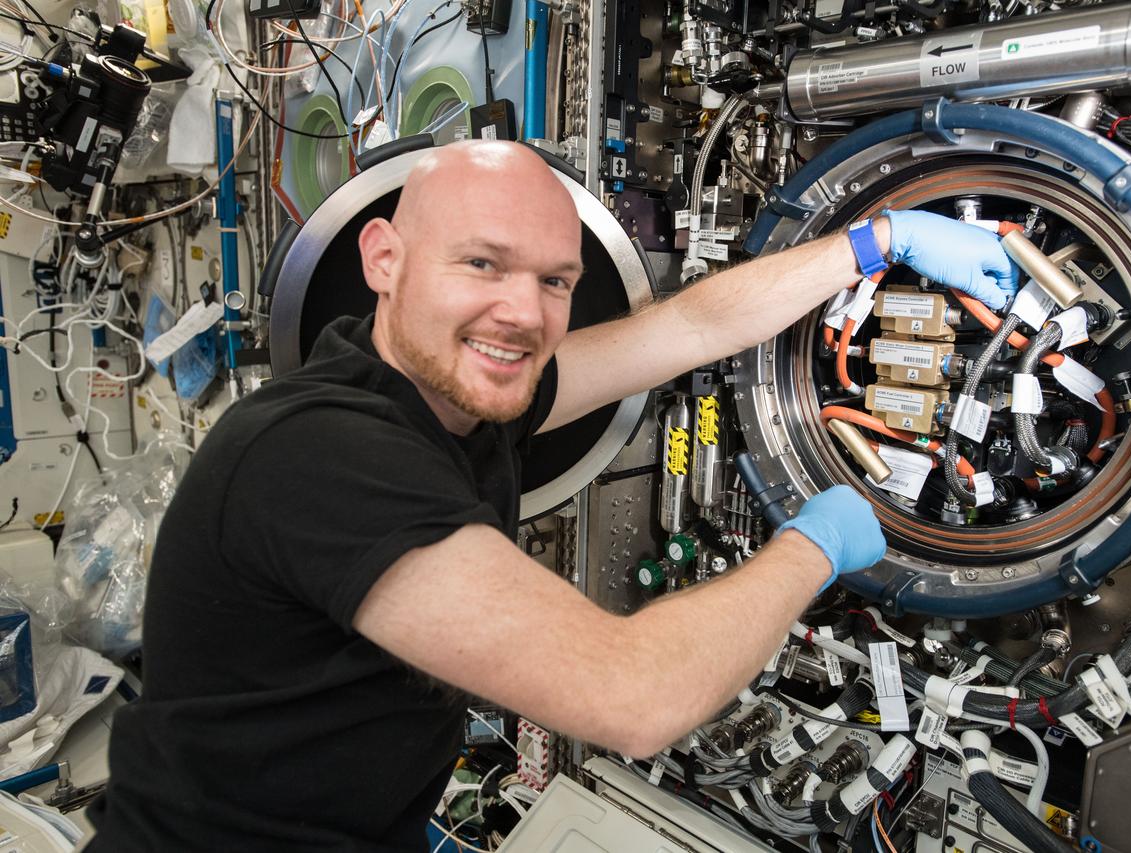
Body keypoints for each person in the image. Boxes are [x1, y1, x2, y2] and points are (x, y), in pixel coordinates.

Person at [83, 141, 1018, 851]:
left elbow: (682, 329)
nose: (524, 313)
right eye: (481, 264)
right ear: (383, 258)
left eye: (555, 281)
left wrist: (873, 242)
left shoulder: (452, 398)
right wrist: (814, 544)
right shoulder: (320, 454)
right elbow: (635, 694)